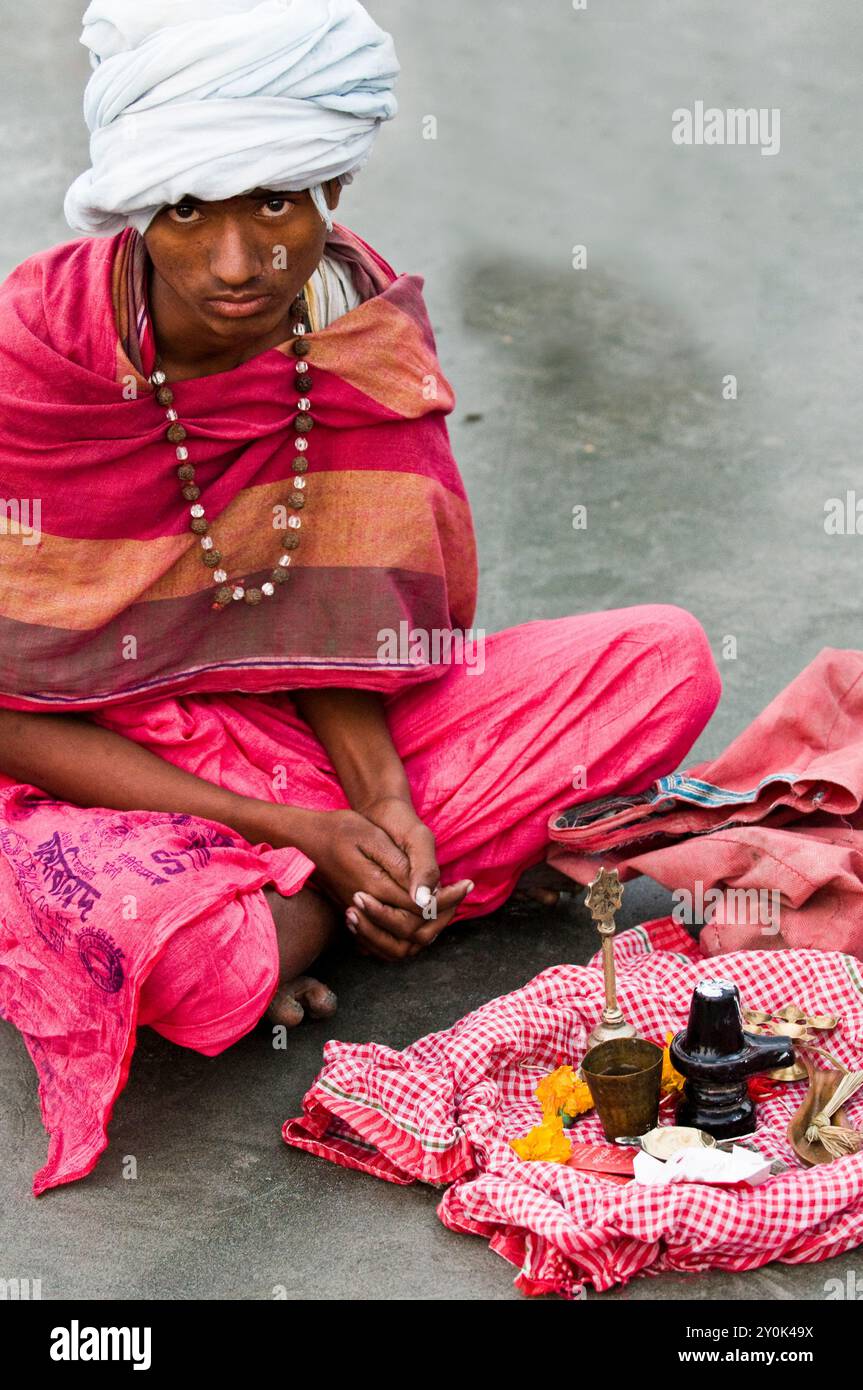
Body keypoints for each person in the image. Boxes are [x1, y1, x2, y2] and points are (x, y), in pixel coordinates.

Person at [0, 0, 721, 1194]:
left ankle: (344, 888)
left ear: (331, 183)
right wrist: (309, 833)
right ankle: (333, 894)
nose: (238, 264)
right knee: (193, 969)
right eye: (187, 209)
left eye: (276, 203)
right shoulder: (42, 354)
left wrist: (384, 805)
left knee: (663, 660)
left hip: (314, 732)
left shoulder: (351, 318)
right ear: (136, 206)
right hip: (96, 749)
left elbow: (335, 623)